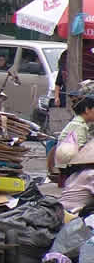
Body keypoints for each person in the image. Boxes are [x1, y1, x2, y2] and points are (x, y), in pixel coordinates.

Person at [55, 83, 94, 212]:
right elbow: (81, 150)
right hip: (70, 165)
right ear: (87, 110)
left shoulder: (77, 122)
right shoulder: (80, 126)